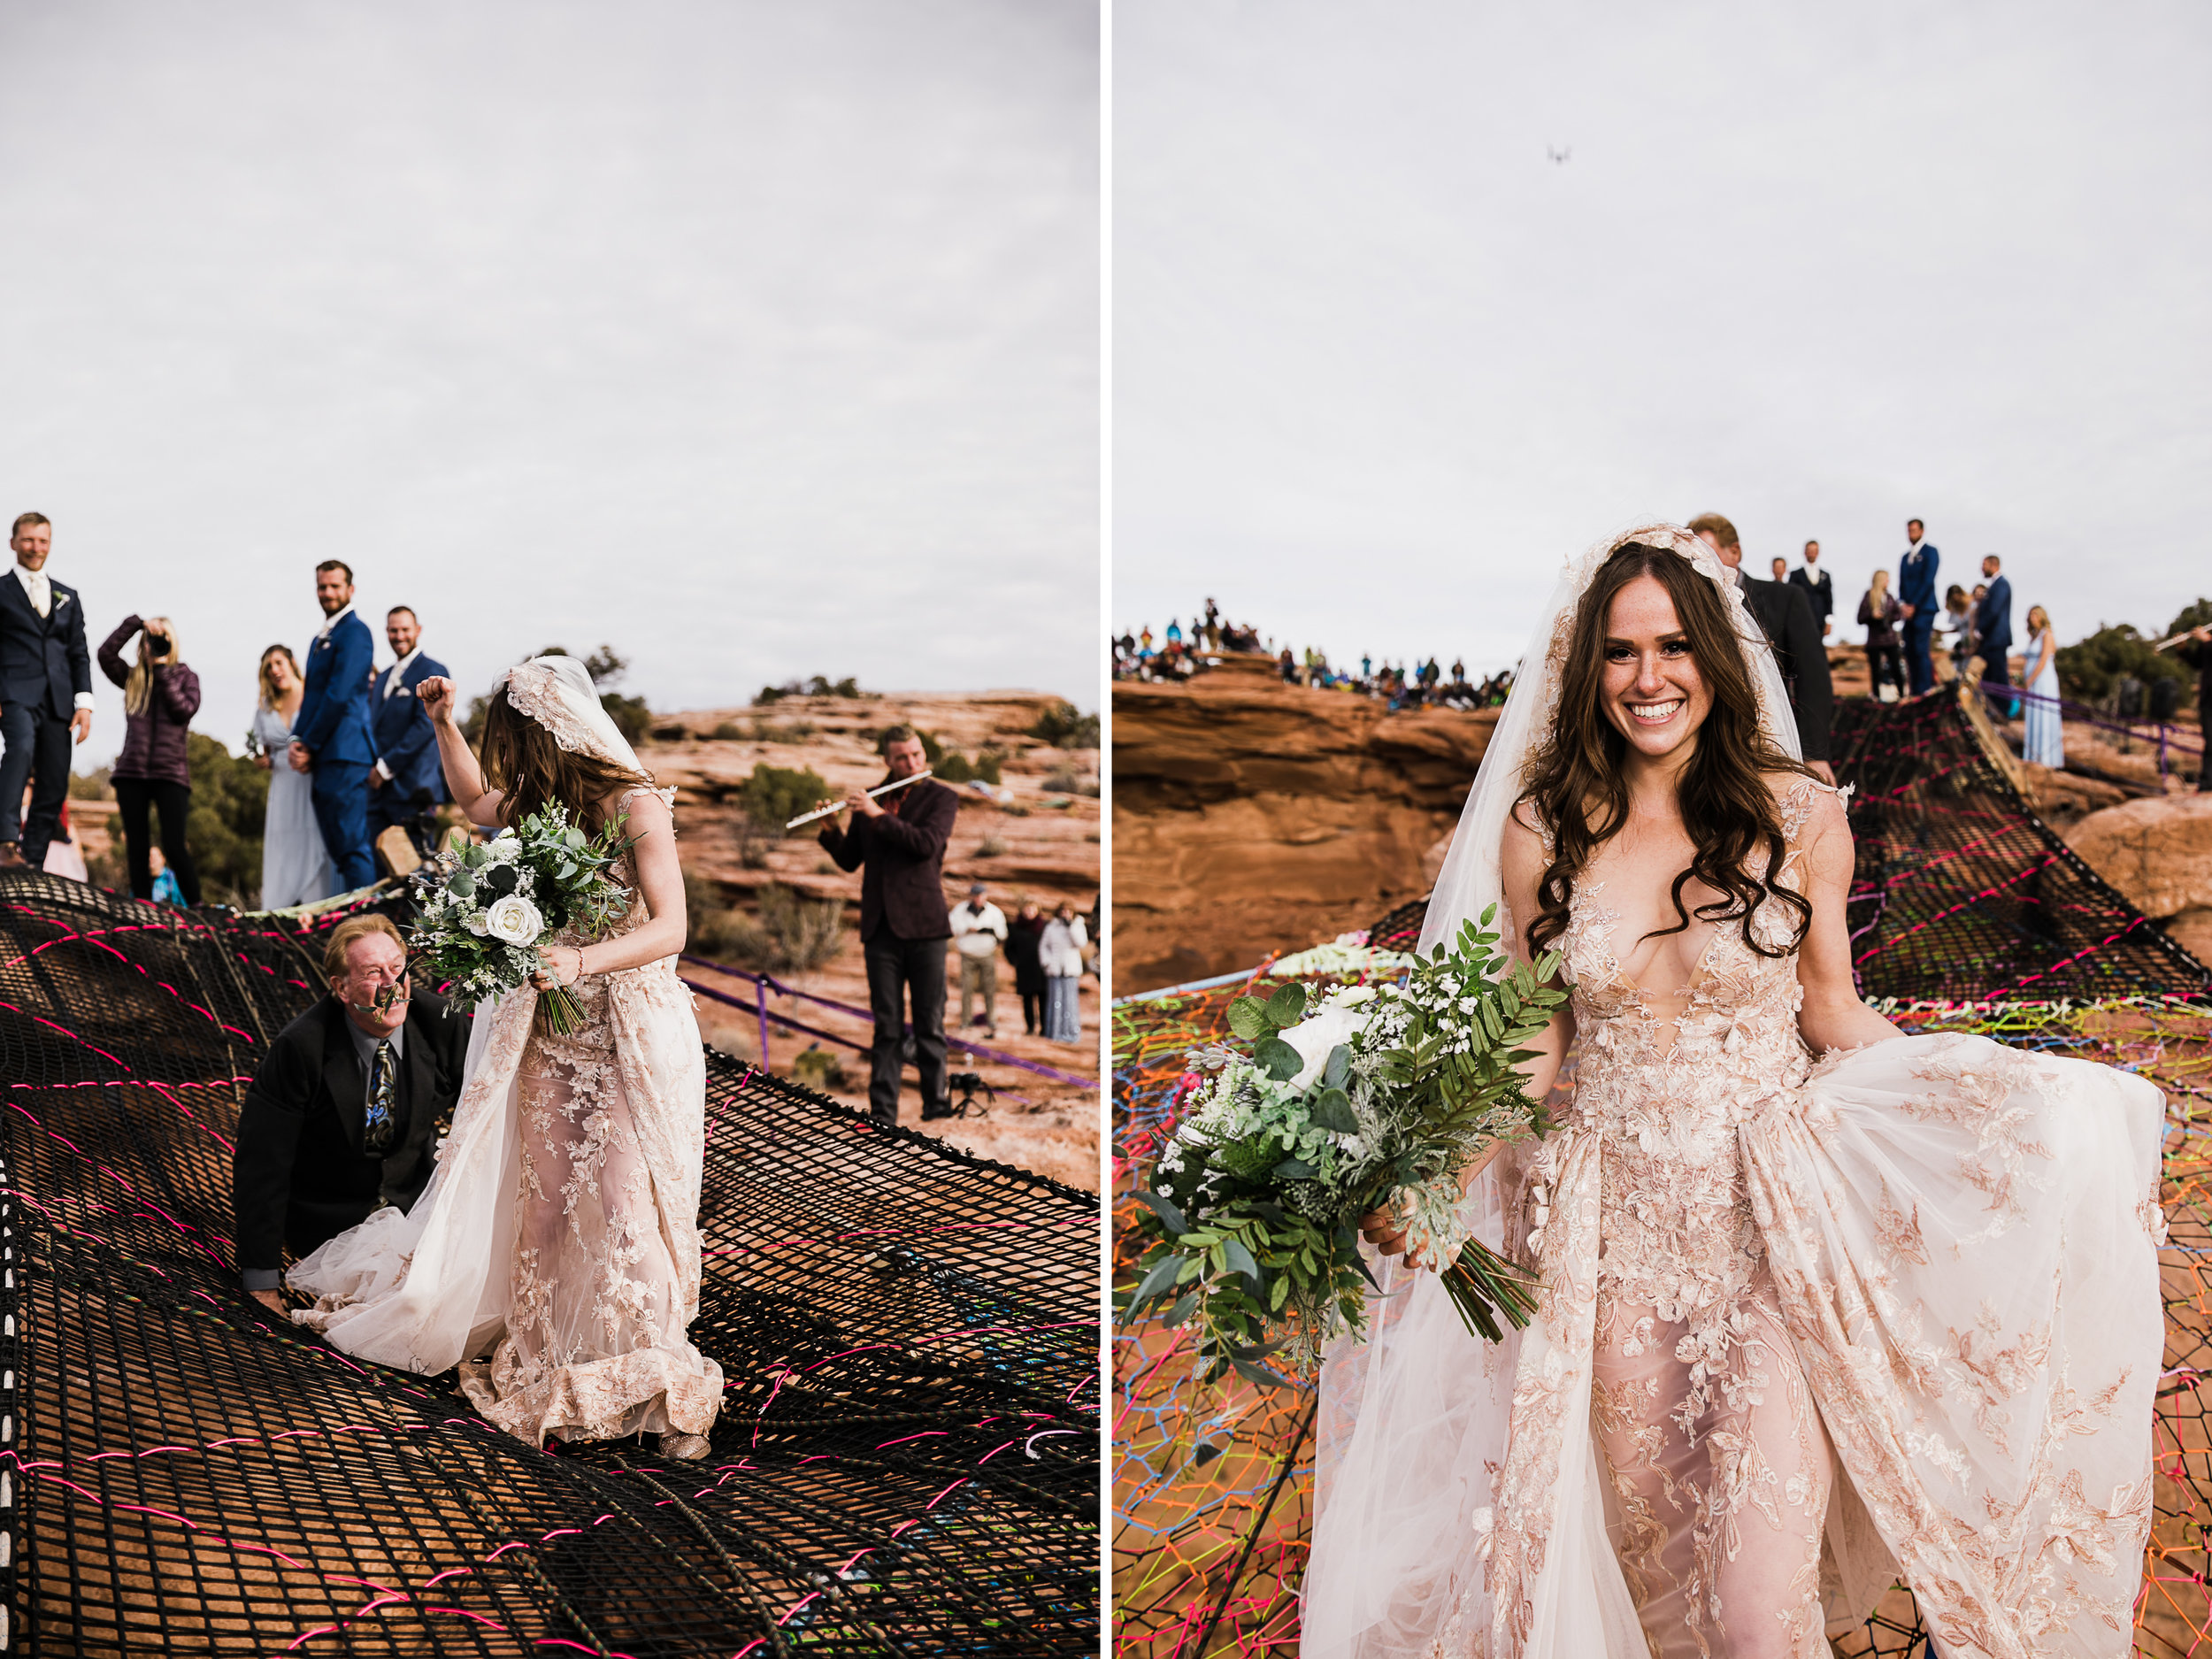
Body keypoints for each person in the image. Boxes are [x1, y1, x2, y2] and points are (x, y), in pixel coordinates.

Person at [1302, 526, 2162, 1657]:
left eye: (1671, 648)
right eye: (1618, 653)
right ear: (1585, 668)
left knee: (1757, 1611)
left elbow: (1831, 1008)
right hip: (1602, 1238)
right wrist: (1433, 1176)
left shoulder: (1800, 814)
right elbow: (1529, 1046)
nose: (1646, 679)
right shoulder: (1538, 830)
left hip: (1770, 1227)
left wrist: (1988, 1107)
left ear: (1715, 654)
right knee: (1655, 1578)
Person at [288, 655, 721, 1460]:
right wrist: (444, 724)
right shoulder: (543, 807)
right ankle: (554, 1360)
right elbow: (473, 799)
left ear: (550, 736)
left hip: (627, 1031)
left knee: (628, 1200)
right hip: (552, 1032)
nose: (510, 769)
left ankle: (660, 1386)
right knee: (549, 1201)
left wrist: (581, 962)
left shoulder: (637, 806)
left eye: (516, 746)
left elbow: (673, 928)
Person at [231, 914, 467, 1315]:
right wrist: (261, 1282)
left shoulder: (442, 1024)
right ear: (341, 987)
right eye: (374, 973)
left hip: (415, 1208)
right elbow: (262, 1165)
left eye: (398, 968)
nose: (393, 985)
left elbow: (485, 1111)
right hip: (329, 1225)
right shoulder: (300, 1048)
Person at [817, 727, 957, 1124]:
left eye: (916, 755)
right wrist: (832, 830)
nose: (912, 763)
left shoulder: (941, 797)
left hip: (926, 926)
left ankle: (937, 1104)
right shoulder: (871, 798)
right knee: (887, 1023)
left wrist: (877, 816)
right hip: (880, 928)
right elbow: (849, 860)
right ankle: (883, 1112)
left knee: (930, 1021)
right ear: (887, 760)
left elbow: (926, 845)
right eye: (902, 758)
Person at [1686, 513, 1833, 780]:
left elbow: (1814, 680)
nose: (1695, 565)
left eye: (1704, 554)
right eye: (1689, 558)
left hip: (1772, 748)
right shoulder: (1685, 608)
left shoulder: (1785, 598)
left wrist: (1815, 756)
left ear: (1735, 552)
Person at [0, 513, 94, 869]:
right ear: (13, 543)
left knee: (55, 780)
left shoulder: (68, 596)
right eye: (28, 540)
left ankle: (31, 859)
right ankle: (5, 842)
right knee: (20, 750)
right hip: (13, 693)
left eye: (42, 540)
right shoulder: (1, 590)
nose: (35, 547)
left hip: (59, 700)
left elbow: (78, 652)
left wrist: (84, 703)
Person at [96, 615, 202, 906]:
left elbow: (184, 710)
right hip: (132, 773)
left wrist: (163, 670)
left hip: (171, 774)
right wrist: (136, 625)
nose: (152, 645)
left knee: (174, 845)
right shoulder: (133, 679)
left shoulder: (185, 676)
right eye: (149, 641)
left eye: (159, 640)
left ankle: (199, 908)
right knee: (137, 847)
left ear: (172, 643)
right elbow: (105, 654)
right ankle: (142, 908)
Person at [288, 561, 377, 892]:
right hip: (325, 753)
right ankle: (352, 921)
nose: (327, 593)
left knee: (352, 845)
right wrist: (299, 739)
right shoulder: (319, 638)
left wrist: (309, 742)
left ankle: (365, 921)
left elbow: (339, 695)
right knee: (338, 847)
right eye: (322, 587)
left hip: (346, 753)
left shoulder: (356, 632)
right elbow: (311, 696)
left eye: (334, 586)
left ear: (350, 590)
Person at [254, 645, 334, 909]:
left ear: (292, 662)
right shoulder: (265, 706)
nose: (275, 670)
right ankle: (280, 911)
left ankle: (318, 909)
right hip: (282, 785)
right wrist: (261, 758)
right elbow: (259, 746)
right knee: (282, 844)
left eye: (278, 663)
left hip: (312, 780)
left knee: (315, 841)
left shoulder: (314, 694)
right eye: (269, 668)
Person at [368, 605, 449, 862]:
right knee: (384, 870)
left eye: (405, 629)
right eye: (393, 630)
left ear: (418, 630)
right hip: (380, 793)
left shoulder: (433, 671)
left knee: (417, 873)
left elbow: (425, 725)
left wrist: (385, 767)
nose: (399, 635)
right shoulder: (382, 678)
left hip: (415, 789)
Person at [949, 881, 1007, 1038]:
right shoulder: (960, 910)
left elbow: (1002, 933)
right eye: (976, 895)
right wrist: (967, 929)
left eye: (981, 895)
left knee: (989, 988)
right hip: (967, 954)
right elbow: (951, 928)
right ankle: (966, 1020)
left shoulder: (994, 912)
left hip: (987, 954)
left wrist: (987, 930)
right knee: (967, 988)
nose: (978, 898)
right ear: (971, 896)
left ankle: (991, 1019)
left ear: (986, 896)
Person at [1899, 518, 1940, 695]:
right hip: (1907, 613)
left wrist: (1914, 604)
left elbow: (1927, 580)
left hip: (1924, 609)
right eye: (1909, 531)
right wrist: (1903, 605)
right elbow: (1902, 583)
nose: (1911, 534)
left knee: (1920, 649)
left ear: (1922, 531)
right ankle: (1914, 691)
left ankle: (1924, 690)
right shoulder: (1905, 557)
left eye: (1914, 530)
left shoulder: (1931, 552)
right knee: (1909, 651)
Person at [2023, 603, 2064, 767]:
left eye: (2035, 615)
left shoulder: (2047, 634)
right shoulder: (2034, 636)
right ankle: (2033, 756)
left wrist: (2029, 680)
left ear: (2041, 616)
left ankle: (2047, 759)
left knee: (2044, 714)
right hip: (2033, 681)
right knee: (2034, 715)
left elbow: (2043, 660)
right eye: (2030, 615)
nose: (2032, 618)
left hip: (2043, 681)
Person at [1040, 900, 1087, 1043]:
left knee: (1070, 1002)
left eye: (1068, 911)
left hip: (1070, 970)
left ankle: (1071, 1034)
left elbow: (1081, 943)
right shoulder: (1051, 927)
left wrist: (1070, 926)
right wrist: (1047, 963)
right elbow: (1043, 946)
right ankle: (1054, 1033)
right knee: (1055, 1002)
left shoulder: (1078, 925)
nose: (1065, 913)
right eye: (1063, 911)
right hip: (1055, 969)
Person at [1857, 569, 1906, 701]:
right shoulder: (1868, 596)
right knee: (1875, 670)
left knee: (1896, 667)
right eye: (1887, 579)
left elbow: (1898, 615)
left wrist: (1888, 617)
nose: (1888, 582)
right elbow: (1860, 618)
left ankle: (1902, 695)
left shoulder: (1889, 597)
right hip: (1874, 639)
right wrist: (1872, 615)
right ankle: (1876, 696)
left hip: (1890, 638)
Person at [1976, 553, 2016, 713]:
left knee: (1998, 678)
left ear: (1993, 565)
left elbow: (1993, 611)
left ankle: (2002, 711)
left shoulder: (2002, 584)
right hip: (1990, 641)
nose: (1981, 568)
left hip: (1996, 639)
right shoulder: (1994, 586)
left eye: (1984, 565)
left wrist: (1980, 631)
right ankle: (1992, 710)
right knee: (1988, 679)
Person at [1005, 896, 1048, 1035]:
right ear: (1022, 910)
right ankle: (1030, 1028)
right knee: (1027, 1000)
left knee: (1043, 1000)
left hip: (1041, 968)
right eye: (1027, 909)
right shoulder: (1016, 927)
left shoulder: (1044, 926)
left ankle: (1044, 1028)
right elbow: (1008, 948)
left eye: (1032, 909)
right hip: (1024, 969)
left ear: (1037, 910)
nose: (1029, 911)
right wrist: (1015, 961)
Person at [1787, 539, 1832, 638]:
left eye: (1814, 551)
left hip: (1819, 620)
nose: (1811, 553)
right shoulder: (1795, 574)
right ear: (1805, 552)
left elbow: (1828, 599)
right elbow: (1790, 599)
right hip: (1801, 619)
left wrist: (1829, 621)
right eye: (1809, 550)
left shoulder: (1825, 575)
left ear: (1818, 553)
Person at [1934, 582, 1975, 683]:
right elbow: (1959, 628)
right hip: (1963, 642)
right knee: (1960, 668)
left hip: (1973, 639)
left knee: (1972, 668)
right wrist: (1943, 632)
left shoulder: (1972, 606)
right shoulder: (1955, 610)